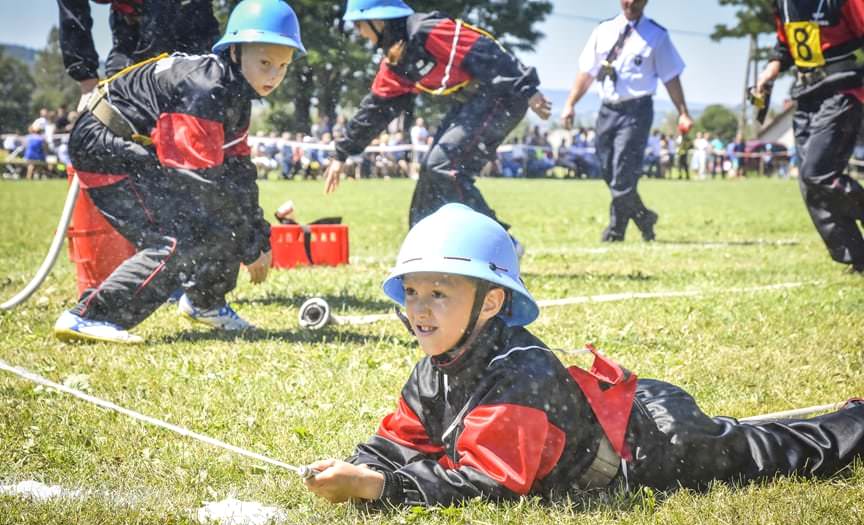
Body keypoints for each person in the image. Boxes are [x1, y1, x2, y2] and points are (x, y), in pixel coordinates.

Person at [303, 203, 864, 507]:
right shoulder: (435, 366)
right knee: (757, 440)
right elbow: (400, 439)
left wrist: (380, 487)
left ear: (492, 302)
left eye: (440, 292)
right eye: (412, 291)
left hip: (657, 446)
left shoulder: (518, 376)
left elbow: (489, 483)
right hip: (621, 413)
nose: (420, 308)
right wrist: (365, 464)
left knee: (776, 451)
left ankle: (855, 423)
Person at [53, 0, 305, 344]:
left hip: (130, 147)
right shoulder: (203, 89)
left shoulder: (234, 91)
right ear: (235, 52)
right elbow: (200, 185)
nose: (274, 76)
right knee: (176, 238)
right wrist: (249, 245)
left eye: (283, 66)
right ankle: (89, 317)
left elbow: (239, 174)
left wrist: (259, 237)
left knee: (212, 217)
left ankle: (205, 303)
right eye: (264, 63)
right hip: (103, 148)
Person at [323, 0, 552, 236]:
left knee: (445, 166)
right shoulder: (395, 62)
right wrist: (342, 152)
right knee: (431, 174)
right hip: (473, 102)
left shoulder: (426, 30)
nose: (358, 33)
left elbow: (489, 53)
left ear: (378, 20)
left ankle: (497, 242)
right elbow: (374, 109)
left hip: (503, 95)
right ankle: (423, 244)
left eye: (359, 25)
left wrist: (528, 90)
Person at [561, 0, 694, 242]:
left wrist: (683, 111)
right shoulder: (603, 30)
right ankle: (644, 217)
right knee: (607, 170)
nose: (630, 3)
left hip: (637, 111)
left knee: (622, 172)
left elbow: (671, 77)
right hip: (607, 110)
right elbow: (587, 72)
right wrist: (570, 104)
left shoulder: (657, 35)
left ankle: (616, 230)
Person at [754, 0, 864, 273]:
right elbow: (786, 44)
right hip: (806, 94)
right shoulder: (784, 3)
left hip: (842, 90)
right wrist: (770, 70)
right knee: (809, 182)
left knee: (818, 174)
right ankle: (858, 257)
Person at [57, 0, 220, 107]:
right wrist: (86, 79)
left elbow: (157, 45)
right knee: (118, 96)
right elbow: (72, 14)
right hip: (129, 20)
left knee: (200, 91)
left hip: (189, 14)